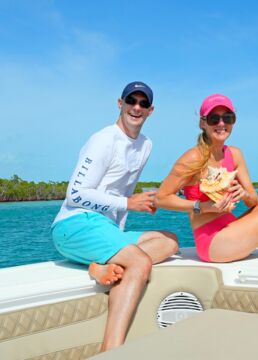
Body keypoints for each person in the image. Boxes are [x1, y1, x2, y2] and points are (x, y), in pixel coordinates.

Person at [51, 81, 179, 351]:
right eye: (131, 101)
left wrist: (127, 214)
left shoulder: (145, 145)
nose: (136, 107)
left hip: (104, 228)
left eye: (143, 103)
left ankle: (98, 263)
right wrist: (127, 203)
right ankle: (111, 351)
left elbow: (125, 193)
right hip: (73, 224)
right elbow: (75, 194)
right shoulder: (103, 139)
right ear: (119, 103)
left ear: (151, 110)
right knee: (139, 262)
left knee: (170, 241)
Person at [155, 94, 258, 263]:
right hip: (213, 243)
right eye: (214, 118)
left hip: (232, 228)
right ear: (202, 123)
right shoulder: (193, 158)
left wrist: (243, 194)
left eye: (227, 118)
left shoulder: (235, 154)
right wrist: (201, 206)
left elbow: (253, 201)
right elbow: (161, 198)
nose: (221, 124)